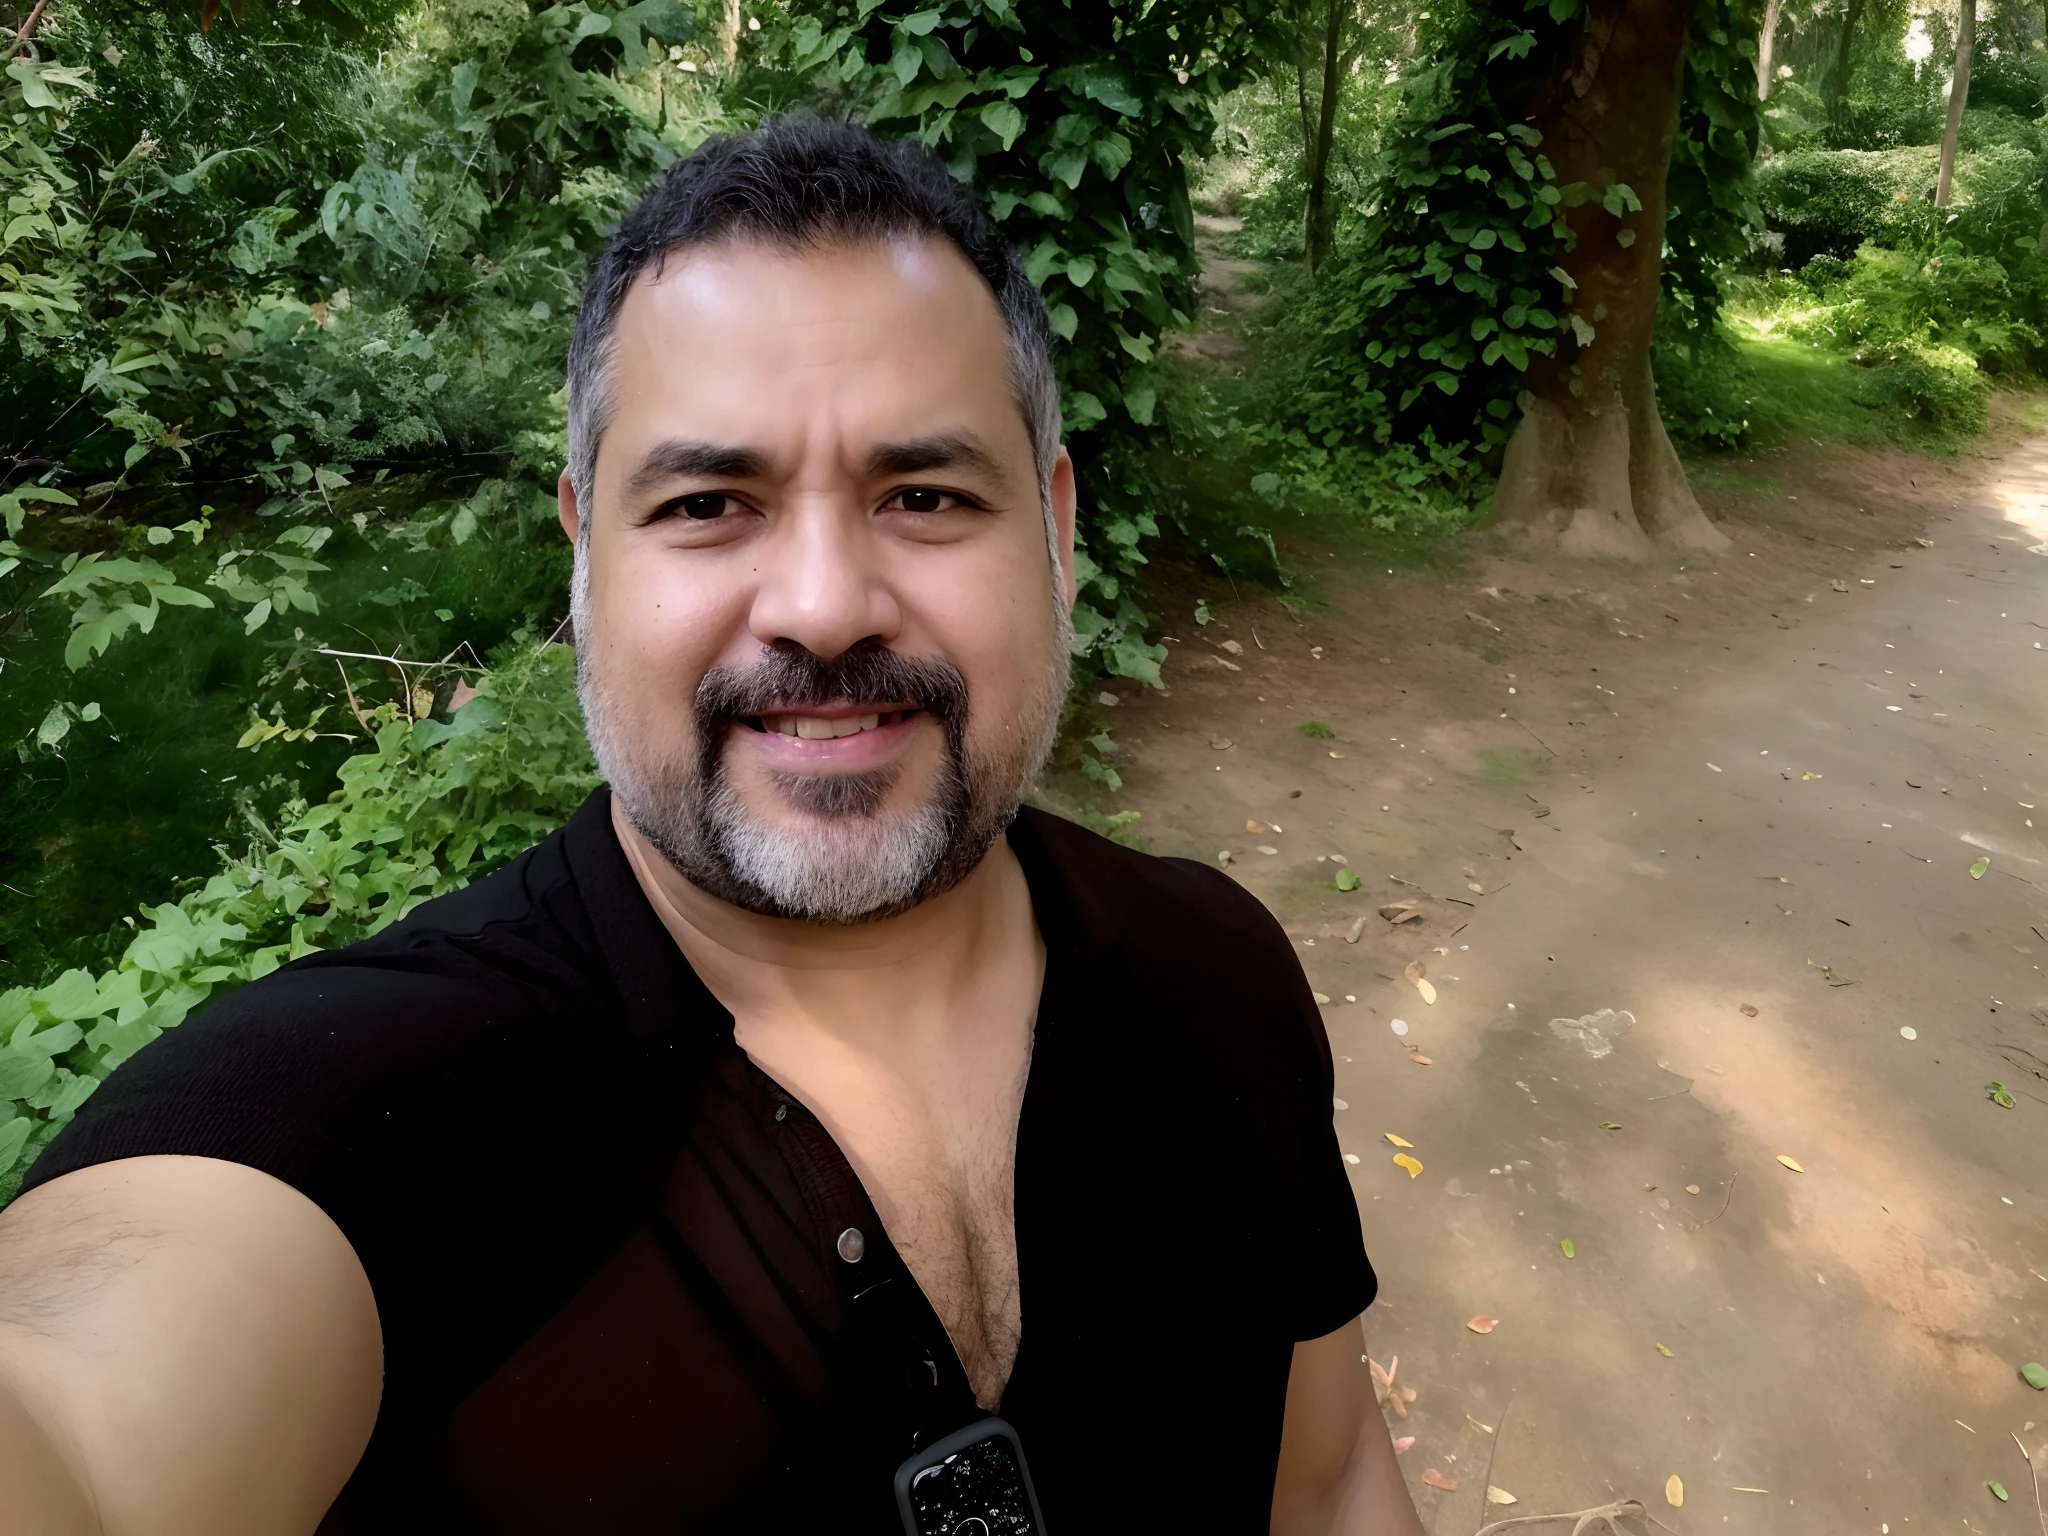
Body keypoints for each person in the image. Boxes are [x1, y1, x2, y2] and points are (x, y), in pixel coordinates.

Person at [0, 117, 1421, 1535]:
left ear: (1053, 533)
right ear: (585, 557)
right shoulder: (388, 1103)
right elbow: (77, 1413)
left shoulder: (1215, 974)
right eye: (706, 503)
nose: (821, 602)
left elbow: (1328, 1477)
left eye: (924, 495)